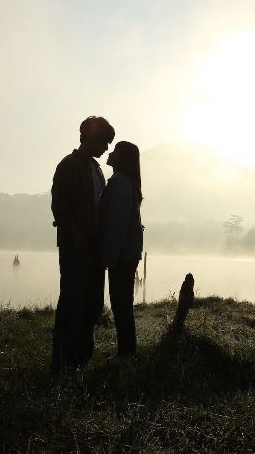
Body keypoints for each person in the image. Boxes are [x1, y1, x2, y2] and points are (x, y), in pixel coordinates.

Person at [50, 116, 115, 371]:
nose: (106, 149)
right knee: (72, 302)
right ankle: (63, 360)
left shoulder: (96, 169)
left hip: (94, 247)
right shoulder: (68, 166)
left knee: (93, 303)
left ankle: (81, 357)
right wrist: (76, 236)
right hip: (76, 247)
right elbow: (60, 206)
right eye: (104, 142)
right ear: (90, 139)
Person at [99, 140, 144, 366]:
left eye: (116, 150)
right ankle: (127, 351)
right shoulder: (127, 183)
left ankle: (126, 354)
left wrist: (109, 257)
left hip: (122, 255)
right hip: (128, 253)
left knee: (120, 303)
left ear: (122, 158)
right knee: (123, 301)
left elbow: (116, 224)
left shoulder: (119, 184)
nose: (110, 152)